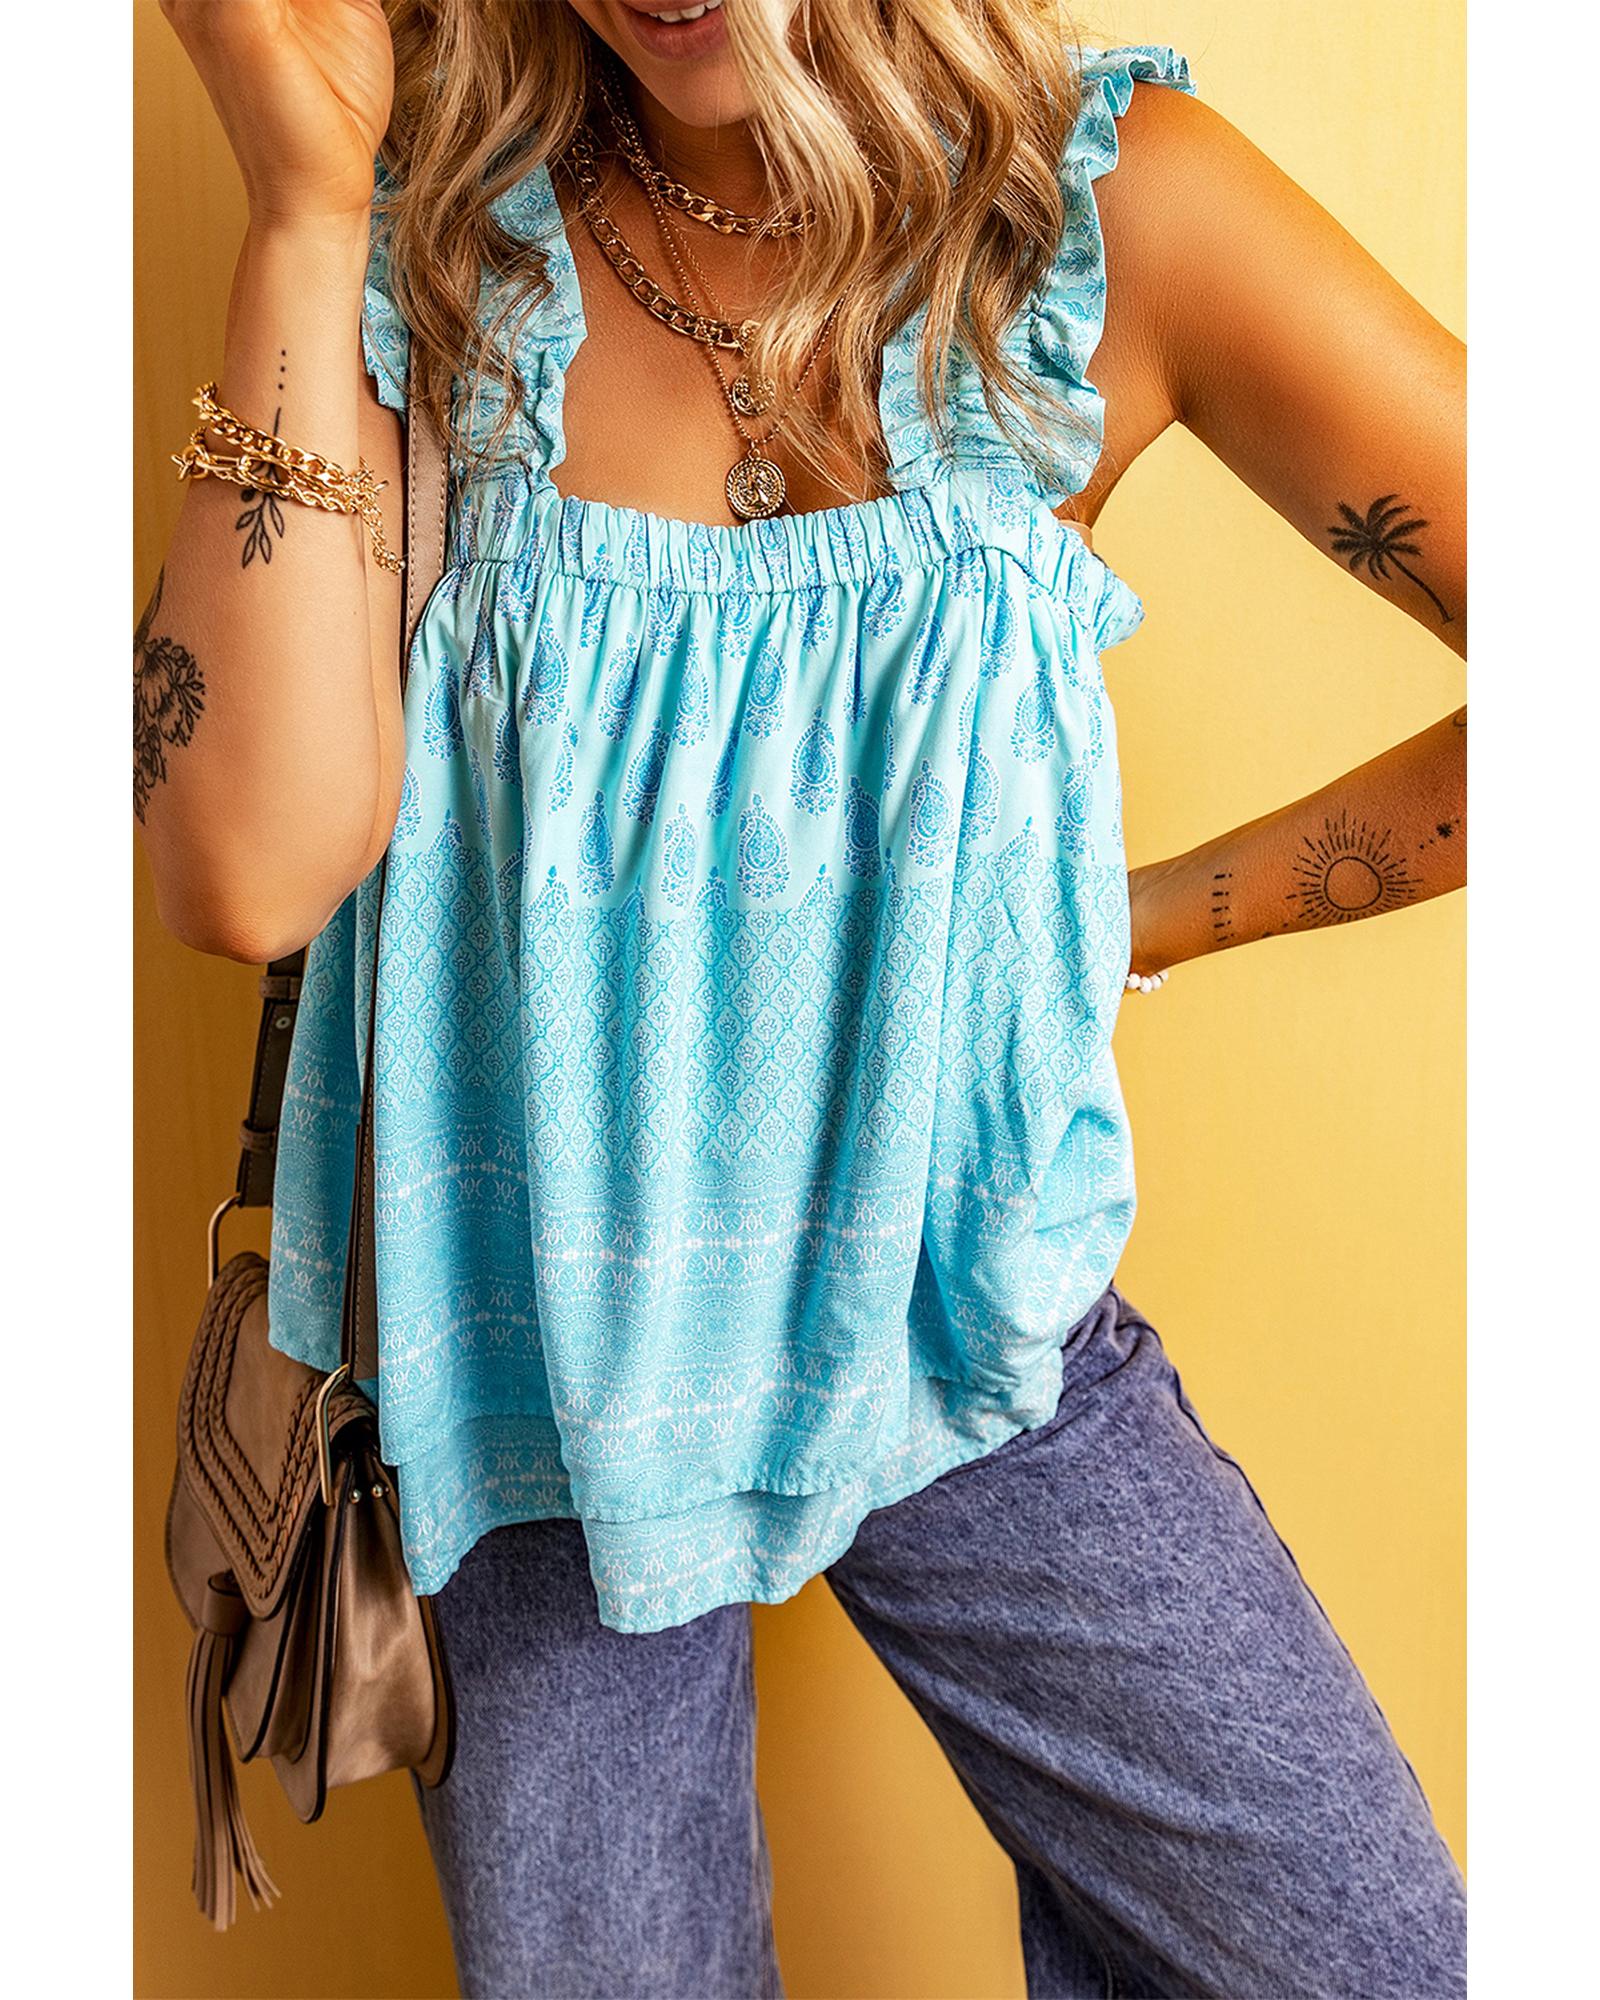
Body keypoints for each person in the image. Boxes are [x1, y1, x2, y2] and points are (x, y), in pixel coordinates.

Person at [141, 2, 1467, 1994]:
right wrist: (305, 209)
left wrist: (1126, 924)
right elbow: (243, 875)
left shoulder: (1095, 218)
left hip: (962, 1307)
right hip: (527, 1380)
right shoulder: (436, 232)